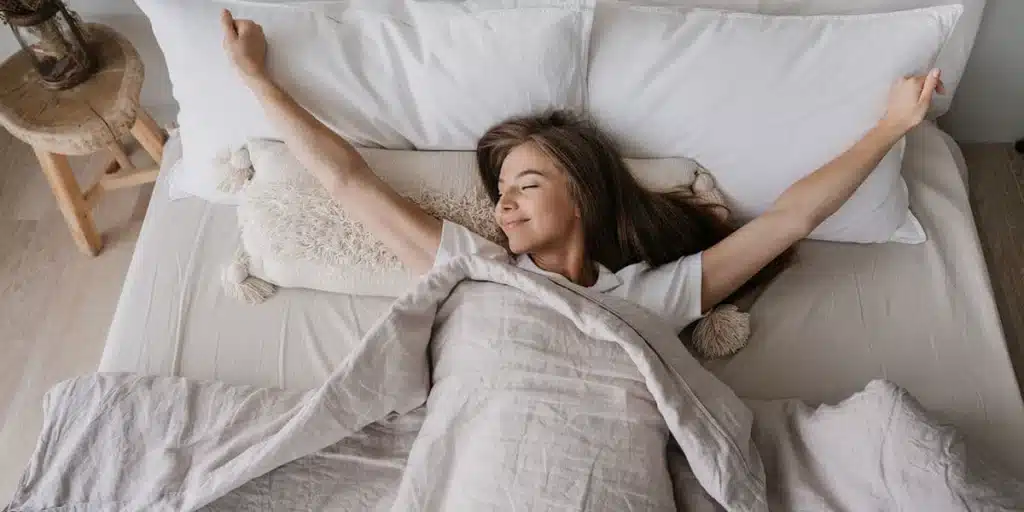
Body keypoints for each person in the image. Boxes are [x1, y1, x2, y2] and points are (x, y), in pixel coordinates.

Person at [219, 10, 944, 332]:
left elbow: (792, 220)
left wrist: (889, 127)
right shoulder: (471, 267)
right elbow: (349, 182)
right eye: (501, 193)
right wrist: (257, 82)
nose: (502, 208)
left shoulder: (654, 296)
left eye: (526, 185)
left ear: (584, 198)